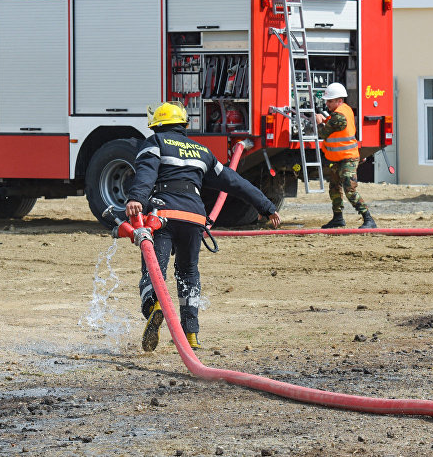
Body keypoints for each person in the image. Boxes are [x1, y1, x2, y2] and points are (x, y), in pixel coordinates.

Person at [126, 101, 282, 352]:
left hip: (162, 216)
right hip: (194, 219)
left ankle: (154, 306)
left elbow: (146, 173)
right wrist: (266, 206)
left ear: (157, 125)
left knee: (154, 269)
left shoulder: (156, 143)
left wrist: (136, 198)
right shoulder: (202, 151)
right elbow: (235, 182)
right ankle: (191, 334)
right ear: (183, 125)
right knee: (188, 274)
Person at [315, 82, 376, 229]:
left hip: (347, 158)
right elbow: (334, 126)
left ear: (339, 100)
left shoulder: (339, 116)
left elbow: (323, 133)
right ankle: (338, 218)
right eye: (327, 101)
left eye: (330, 101)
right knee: (334, 188)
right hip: (340, 158)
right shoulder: (343, 111)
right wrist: (326, 121)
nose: (327, 104)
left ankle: (368, 219)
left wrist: (318, 123)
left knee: (349, 189)